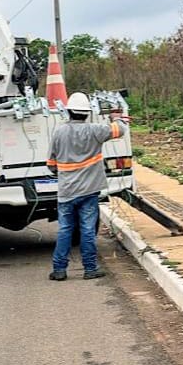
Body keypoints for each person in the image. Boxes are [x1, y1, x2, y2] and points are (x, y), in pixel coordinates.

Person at [47, 92, 126, 280]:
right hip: (89, 191)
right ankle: (90, 269)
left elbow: (51, 164)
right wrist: (116, 116)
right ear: (87, 113)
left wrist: (63, 172)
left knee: (65, 230)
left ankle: (59, 270)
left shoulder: (59, 132)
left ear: (69, 111)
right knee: (88, 230)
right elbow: (120, 129)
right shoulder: (95, 130)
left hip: (66, 191)